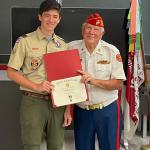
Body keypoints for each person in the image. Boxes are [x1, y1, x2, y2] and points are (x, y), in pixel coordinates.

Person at [7, 0, 72, 150]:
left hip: (58, 104)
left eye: (55, 16)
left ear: (59, 19)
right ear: (40, 17)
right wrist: (36, 85)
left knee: (56, 146)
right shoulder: (25, 41)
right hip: (33, 102)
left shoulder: (63, 45)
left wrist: (68, 109)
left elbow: (68, 78)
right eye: (47, 15)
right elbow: (11, 72)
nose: (51, 20)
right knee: (32, 146)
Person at [68, 12, 126, 150]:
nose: (91, 32)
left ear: (102, 33)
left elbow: (118, 84)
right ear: (83, 30)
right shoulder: (70, 48)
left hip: (107, 110)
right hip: (82, 110)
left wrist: (94, 81)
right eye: (88, 28)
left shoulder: (111, 51)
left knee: (110, 147)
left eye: (96, 29)